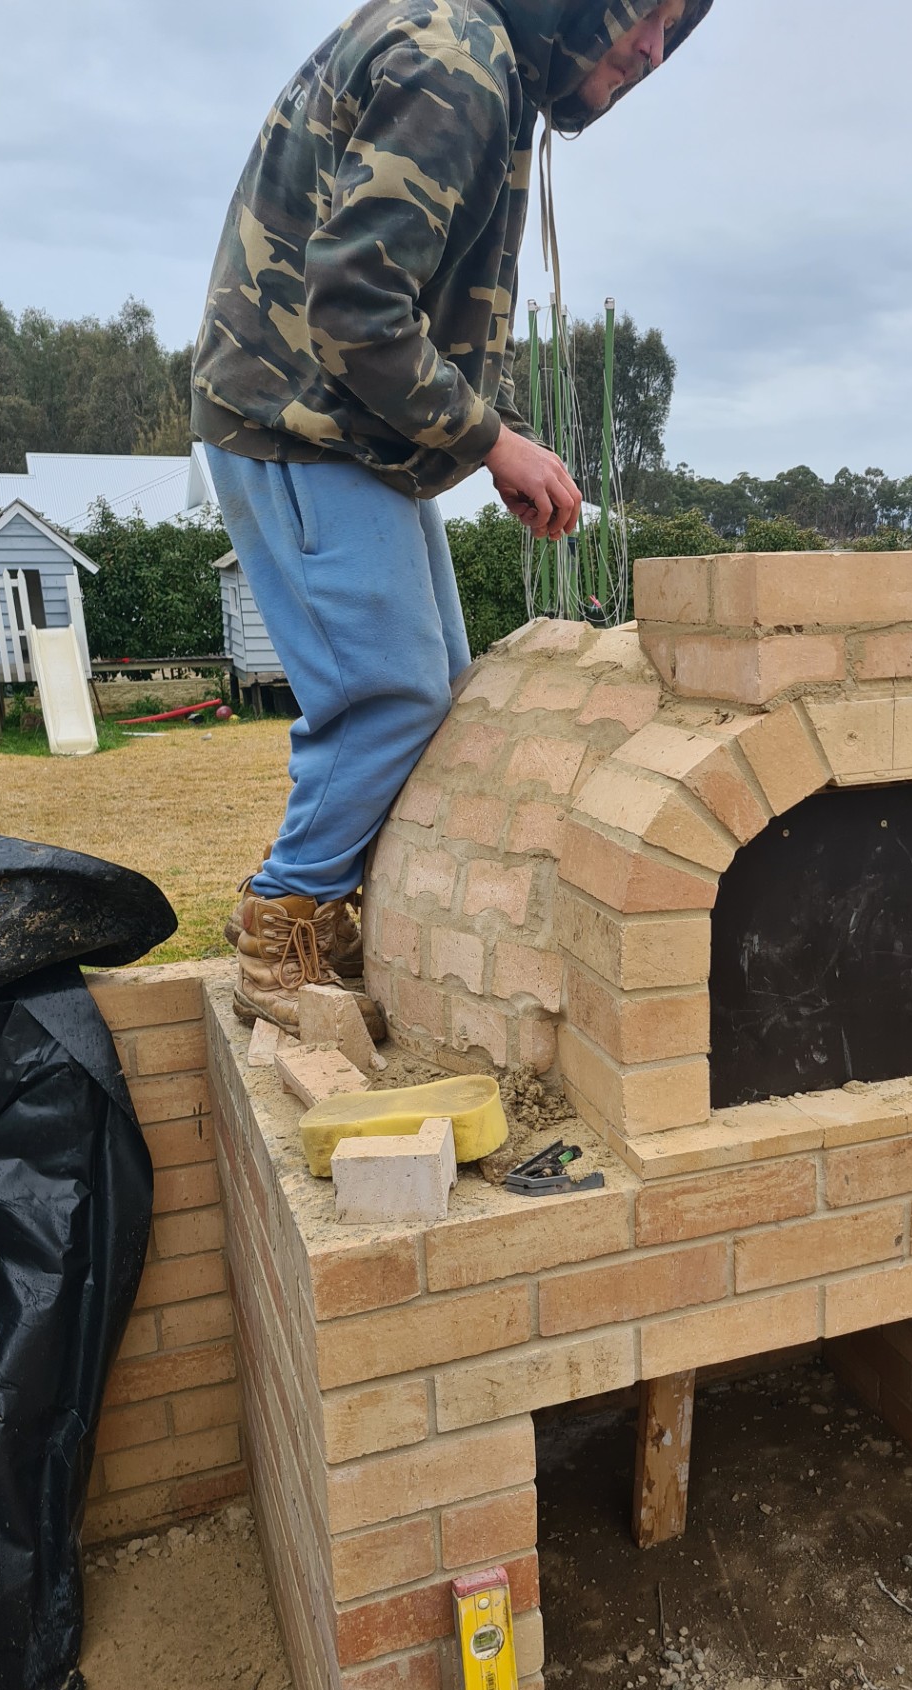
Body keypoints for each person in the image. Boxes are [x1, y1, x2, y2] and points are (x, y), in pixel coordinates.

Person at [192, 0, 709, 1032]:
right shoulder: (456, 70)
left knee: (439, 692)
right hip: (295, 419)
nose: (652, 49)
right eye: (643, 14)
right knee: (387, 699)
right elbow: (355, 305)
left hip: (343, 426)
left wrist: (492, 432)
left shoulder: (488, 64)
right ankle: (279, 930)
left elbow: (428, 302)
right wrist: (491, 441)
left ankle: (338, 918)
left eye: (675, 29)